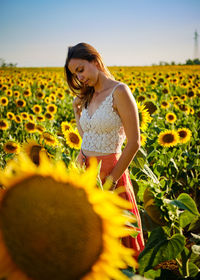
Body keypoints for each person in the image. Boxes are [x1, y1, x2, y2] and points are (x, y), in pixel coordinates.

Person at [64, 42, 145, 258]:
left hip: (110, 174)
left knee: (114, 244)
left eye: (80, 70)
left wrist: (110, 181)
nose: (79, 78)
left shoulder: (119, 91)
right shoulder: (88, 95)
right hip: (85, 171)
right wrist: (77, 112)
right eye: (75, 74)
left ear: (95, 60)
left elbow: (134, 142)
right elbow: (87, 136)